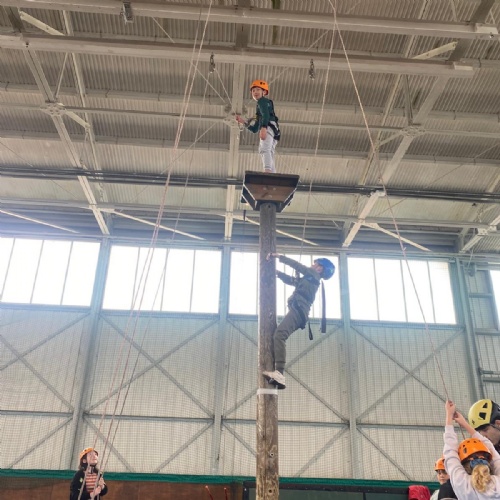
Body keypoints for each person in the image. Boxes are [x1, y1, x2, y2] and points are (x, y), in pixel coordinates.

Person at [262, 254, 335, 389]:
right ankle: (278, 372)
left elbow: (296, 265)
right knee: (279, 335)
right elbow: (292, 281)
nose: (312, 265)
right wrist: (278, 273)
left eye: (315, 264)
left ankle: (279, 373)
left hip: (298, 311)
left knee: (279, 335)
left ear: (319, 269)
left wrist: (278, 256)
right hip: (299, 311)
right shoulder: (310, 279)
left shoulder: (312, 275)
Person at [443, 400, 500, 499]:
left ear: (464, 465)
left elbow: (450, 453)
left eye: (485, 429)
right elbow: (491, 448)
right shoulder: (497, 483)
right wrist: (465, 424)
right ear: (488, 461)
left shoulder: (462, 483)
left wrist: (449, 416)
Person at [235, 79, 280, 173]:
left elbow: (266, 114)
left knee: (264, 149)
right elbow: (255, 129)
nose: (255, 92)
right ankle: (272, 173)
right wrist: (243, 122)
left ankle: (268, 171)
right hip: (274, 130)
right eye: (253, 90)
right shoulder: (261, 107)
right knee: (269, 151)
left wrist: (264, 127)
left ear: (264, 92)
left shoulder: (261, 101)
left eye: (258, 89)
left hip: (268, 126)